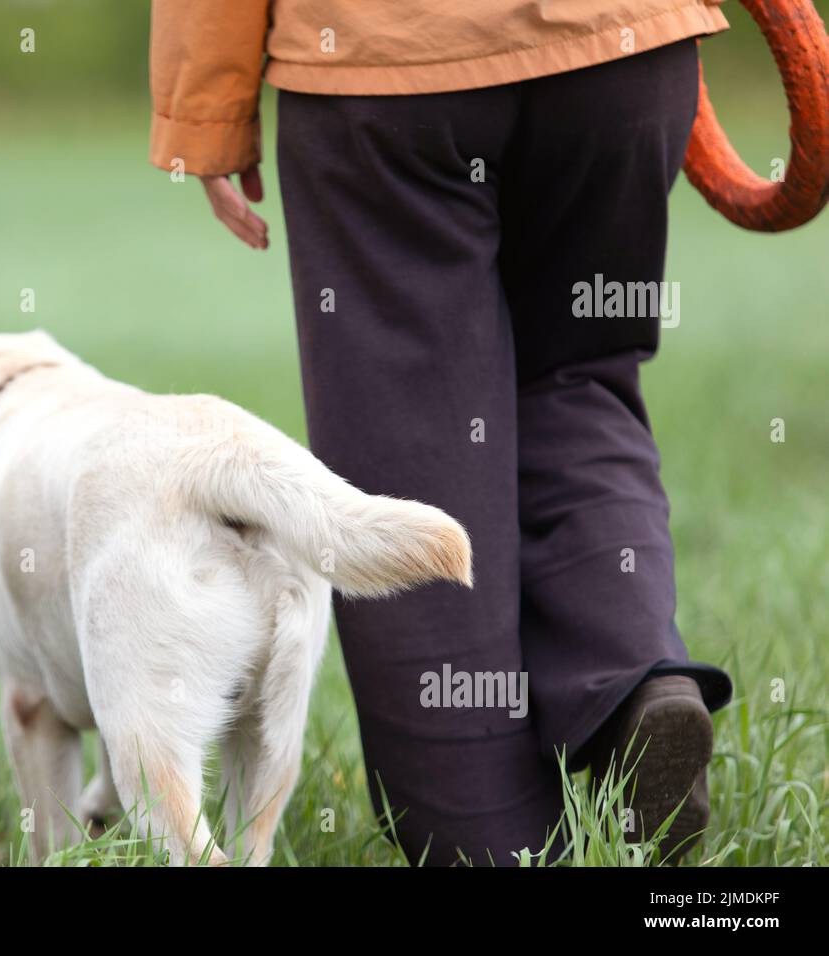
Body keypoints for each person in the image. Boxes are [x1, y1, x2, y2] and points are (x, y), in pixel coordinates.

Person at [149, 0, 735, 865]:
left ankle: (484, 829)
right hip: (623, 54)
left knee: (410, 432)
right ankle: (635, 683)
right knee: (580, 378)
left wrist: (206, 109)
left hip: (389, 65)